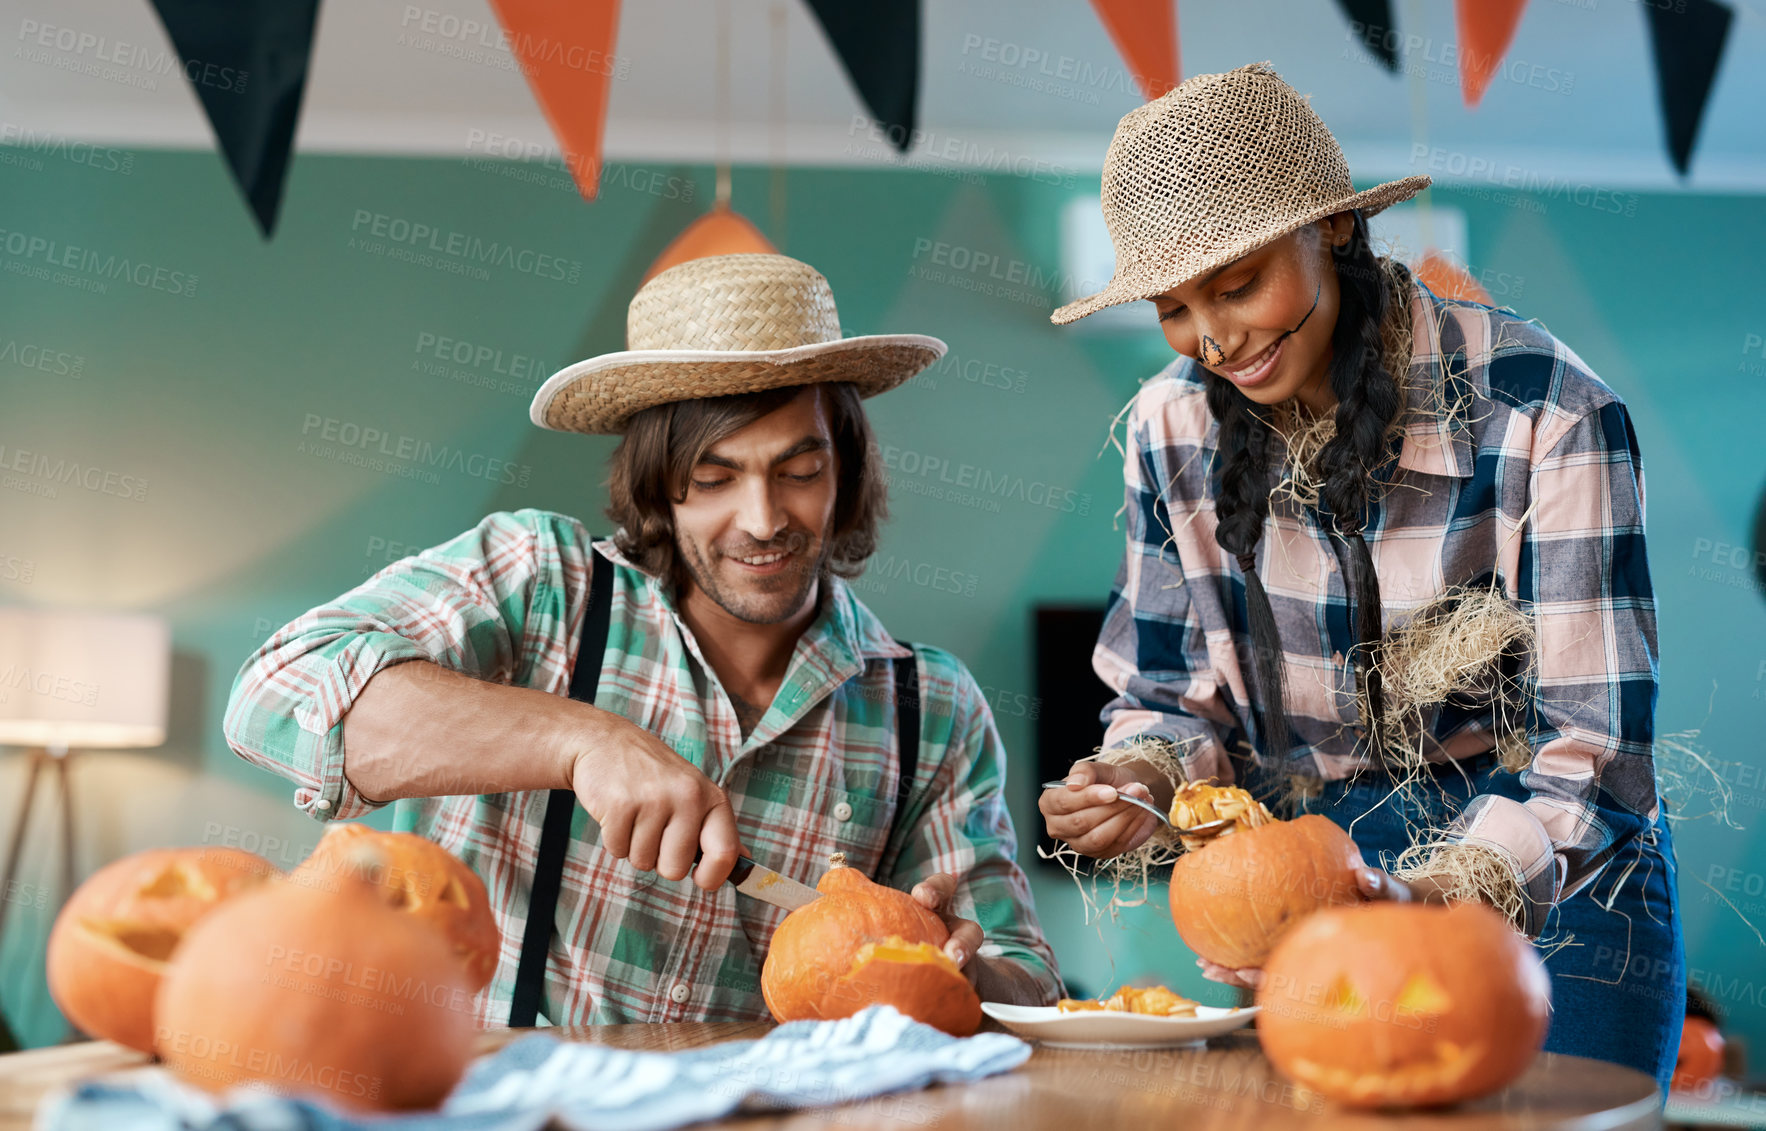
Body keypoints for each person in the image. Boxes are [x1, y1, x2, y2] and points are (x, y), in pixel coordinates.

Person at [1039, 62, 1682, 1092]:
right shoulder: (1167, 426)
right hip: (1310, 864)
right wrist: (1142, 776)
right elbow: (1164, 692)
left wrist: (1437, 893)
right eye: (1173, 307)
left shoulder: (1544, 411)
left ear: (1334, 230)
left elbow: (1594, 748)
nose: (1213, 340)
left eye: (1238, 285)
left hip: (1553, 867)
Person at [226, 253, 1060, 1026]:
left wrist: (958, 962)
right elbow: (277, 693)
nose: (764, 519)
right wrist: (580, 740)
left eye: (799, 470)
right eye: (714, 477)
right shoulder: (539, 583)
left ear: (846, 470)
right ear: (659, 487)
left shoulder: (932, 707)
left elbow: (1027, 983)